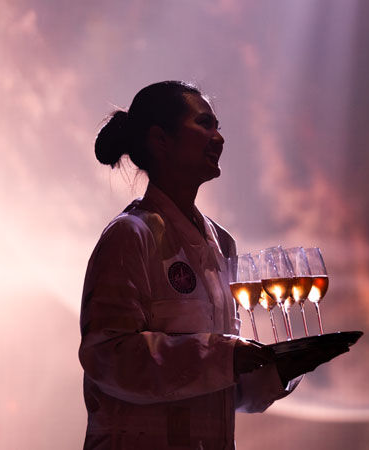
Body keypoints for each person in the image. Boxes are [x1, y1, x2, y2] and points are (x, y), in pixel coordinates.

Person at [79, 81, 347, 449]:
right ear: (161, 140)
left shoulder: (221, 243)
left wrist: (276, 370)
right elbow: (108, 358)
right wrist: (226, 354)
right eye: (204, 124)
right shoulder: (130, 236)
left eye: (217, 126)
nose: (219, 138)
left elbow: (219, 389)